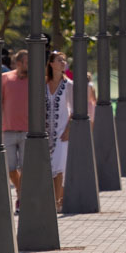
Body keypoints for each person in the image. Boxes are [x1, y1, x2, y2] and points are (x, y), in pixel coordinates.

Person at [45, 51, 73, 211]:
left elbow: (75, 109)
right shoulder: (44, 84)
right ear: (51, 63)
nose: (63, 63)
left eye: (64, 60)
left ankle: (58, 202)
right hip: (46, 133)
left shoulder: (69, 85)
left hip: (62, 133)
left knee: (59, 169)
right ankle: (52, 201)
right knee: (49, 169)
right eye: (59, 60)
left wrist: (68, 129)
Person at [2, 50, 29, 212]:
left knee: (26, 168)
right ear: (18, 63)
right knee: (11, 168)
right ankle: (20, 191)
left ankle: (21, 198)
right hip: (8, 130)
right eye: (27, 62)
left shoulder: (36, 79)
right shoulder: (5, 79)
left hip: (28, 131)